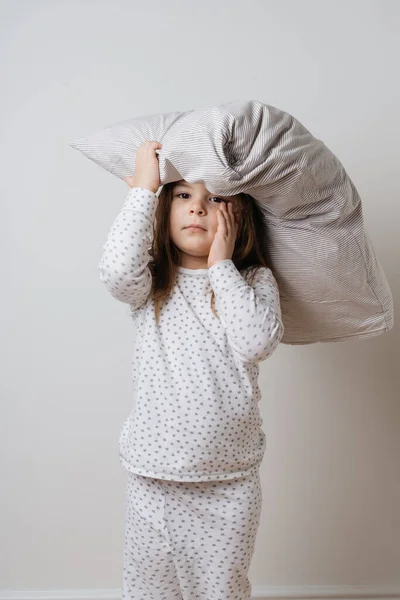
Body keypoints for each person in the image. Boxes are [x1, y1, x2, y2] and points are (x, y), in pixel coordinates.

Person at [98, 140, 285, 600]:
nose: (198, 208)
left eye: (215, 198)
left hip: (229, 482)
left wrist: (222, 266)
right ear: (165, 210)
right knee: (150, 590)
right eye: (183, 195)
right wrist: (144, 190)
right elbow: (116, 271)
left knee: (220, 590)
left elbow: (257, 341)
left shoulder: (252, 281)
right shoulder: (153, 279)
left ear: (241, 214)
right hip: (153, 477)